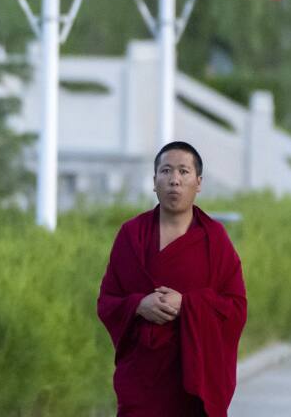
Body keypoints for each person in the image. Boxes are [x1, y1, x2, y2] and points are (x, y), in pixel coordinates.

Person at [96, 141, 247, 416]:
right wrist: (139, 305)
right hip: (142, 379)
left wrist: (187, 305)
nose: (174, 180)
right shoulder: (132, 235)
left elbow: (236, 308)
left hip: (193, 381)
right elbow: (107, 302)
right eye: (165, 171)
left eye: (183, 172)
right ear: (154, 182)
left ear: (198, 182)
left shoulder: (215, 240)